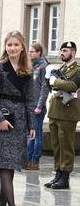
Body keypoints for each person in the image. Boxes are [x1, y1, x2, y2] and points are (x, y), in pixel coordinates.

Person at [0, 30, 35, 206]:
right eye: (9, 45)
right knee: (5, 166)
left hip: (20, 121)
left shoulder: (26, 71)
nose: (12, 48)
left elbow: (30, 100)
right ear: (5, 47)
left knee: (11, 166)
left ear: (22, 47)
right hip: (1, 121)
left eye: (16, 44)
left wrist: (31, 125)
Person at [44, 41, 80, 189]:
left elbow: (73, 86)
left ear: (73, 53)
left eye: (65, 51)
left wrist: (56, 81)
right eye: (61, 51)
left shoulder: (77, 70)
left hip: (68, 112)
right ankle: (58, 173)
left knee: (66, 145)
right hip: (55, 111)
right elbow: (52, 85)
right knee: (56, 145)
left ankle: (65, 177)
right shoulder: (61, 68)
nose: (62, 53)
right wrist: (49, 80)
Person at [26, 43, 49, 170]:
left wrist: (39, 106)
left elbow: (44, 89)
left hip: (37, 107)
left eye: (32, 52)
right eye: (29, 52)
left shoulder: (43, 66)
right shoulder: (31, 66)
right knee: (30, 134)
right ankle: (28, 159)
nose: (30, 54)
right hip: (29, 105)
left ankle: (35, 161)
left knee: (37, 135)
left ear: (39, 52)